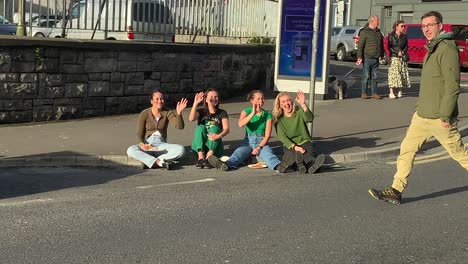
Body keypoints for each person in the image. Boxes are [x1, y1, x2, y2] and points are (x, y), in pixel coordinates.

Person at [369, 11, 468, 205]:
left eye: (431, 25)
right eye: (424, 26)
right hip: (422, 115)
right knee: (406, 149)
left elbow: (452, 85)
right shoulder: (433, 48)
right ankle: (396, 190)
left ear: (440, 25)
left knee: (460, 154)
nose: (427, 29)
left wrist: (446, 116)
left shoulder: (447, 49)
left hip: (440, 117)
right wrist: (419, 107)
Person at [207, 90, 281, 171]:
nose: (261, 101)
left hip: (261, 142)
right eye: (258, 99)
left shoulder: (268, 115)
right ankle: (225, 165)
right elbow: (240, 124)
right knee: (238, 154)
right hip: (248, 141)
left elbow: (267, 135)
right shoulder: (246, 111)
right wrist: (253, 113)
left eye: (262, 99)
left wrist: (259, 147)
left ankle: (279, 166)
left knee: (269, 154)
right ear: (252, 101)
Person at [127, 90, 188, 170]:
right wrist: (141, 144)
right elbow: (139, 133)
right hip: (148, 144)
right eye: (157, 99)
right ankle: (159, 162)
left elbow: (179, 126)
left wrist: (179, 113)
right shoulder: (144, 113)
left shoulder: (167, 112)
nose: (160, 101)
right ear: (151, 101)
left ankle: (150, 161)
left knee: (181, 150)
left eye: (162, 99)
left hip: (161, 144)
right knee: (131, 150)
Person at [272, 90, 325, 174]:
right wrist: (295, 147)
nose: (287, 103)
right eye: (283, 101)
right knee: (293, 154)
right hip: (291, 144)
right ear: (280, 105)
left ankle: (312, 166)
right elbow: (282, 137)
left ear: (292, 101)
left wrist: (303, 104)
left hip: (304, 141)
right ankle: (299, 165)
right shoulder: (278, 119)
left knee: (307, 154)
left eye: (288, 100)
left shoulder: (298, 111)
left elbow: (309, 119)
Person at [189, 88, 229, 169]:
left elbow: (226, 129)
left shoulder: (222, 112)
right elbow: (191, 118)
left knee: (215, 128)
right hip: (200, 146)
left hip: (215, 147)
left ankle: (209, 158)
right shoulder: (201, 111)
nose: (214, 99)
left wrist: (219, 136)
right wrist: (195, 103)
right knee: (200, 128)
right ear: (206, 99)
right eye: (211, 97)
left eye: (216, 97)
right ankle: (200, 158)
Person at [356, 15, 384, 100]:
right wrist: (359, 57)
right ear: (372, 21)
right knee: (366, 76)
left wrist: (382, 55)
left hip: (376, 58)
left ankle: (374, 93)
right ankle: (364, 92)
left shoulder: (378, 32)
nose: (379, 22)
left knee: (375, 76)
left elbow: (381, 45)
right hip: (367, 57)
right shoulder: (364, 32)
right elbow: (360, 45)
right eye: (377, 20)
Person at [387, 20, 411, 99]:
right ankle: (391, 92)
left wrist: (403, 52)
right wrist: (397, 52)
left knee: (402, 73)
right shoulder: (391, 36)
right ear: (396, 26)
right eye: (401, 26)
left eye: (404, 26)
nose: (403, 28)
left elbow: (406, 46)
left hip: (402, 58)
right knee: (393, 74)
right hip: (394, 57)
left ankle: (400, 91)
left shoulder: (404, 36)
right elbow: (389, 46)